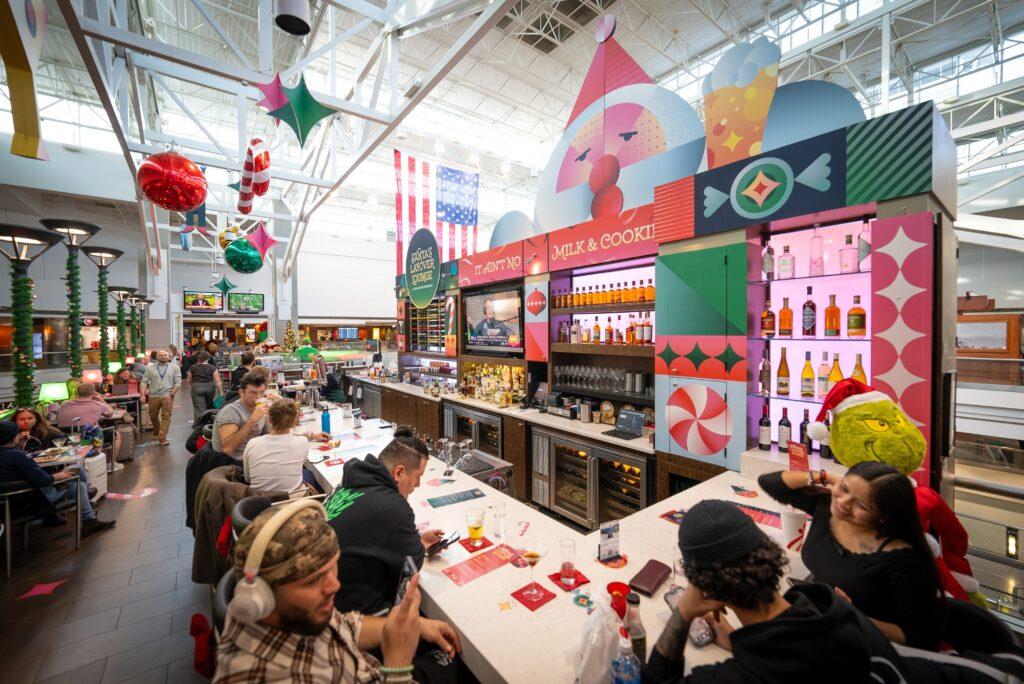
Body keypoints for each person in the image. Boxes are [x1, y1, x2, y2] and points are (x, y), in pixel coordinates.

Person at [644, 499, 911, 683]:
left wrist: (684, 612)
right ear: (769, 552)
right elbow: (787, 643)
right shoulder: (828, 606)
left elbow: (656, 678)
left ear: (707, 590)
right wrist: (739, 640)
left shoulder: (739, 677)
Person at [214, 500, 461, 684]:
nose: (334, 586)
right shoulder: (257, 675)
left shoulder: (300, 613)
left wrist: (408, 625)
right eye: (313, 581)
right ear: (260, 595)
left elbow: (344, 625)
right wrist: (397, 666)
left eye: (333, 568)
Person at [759, 461, 944, 649]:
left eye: (861, 505)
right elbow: (770, 483)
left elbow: (922, 639)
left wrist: (850, 613)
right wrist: (828, 478)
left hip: (865, 647)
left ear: (883, 515)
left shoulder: (902, 559)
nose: (843, 503)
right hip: (823, 626)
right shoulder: (826, 508)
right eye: (844, 489)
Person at [325, 426, 444, 615]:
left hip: (323, 595)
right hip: (348, 616)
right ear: (399, 473)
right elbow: (412, 564)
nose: (418, 485)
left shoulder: (350, 483)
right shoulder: (393, 506)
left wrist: (419, 540)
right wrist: (419, 544)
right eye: (417, 477)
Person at [0, 421, 115, 536]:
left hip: (8, 503)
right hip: (32, 500)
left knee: (78, 468)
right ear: (12, 437)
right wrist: (57, 476)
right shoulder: (17, 456)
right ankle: (89, 517)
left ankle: (86, 506)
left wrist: (19, 446)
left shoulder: (13, 454)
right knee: (79, 485)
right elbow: (44, 480)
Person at [242, 400, 315, 493]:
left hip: (261, 503)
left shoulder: (252, 443)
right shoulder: (302, 442)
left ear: (269, 420)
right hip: (294, 502)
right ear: (293, 422)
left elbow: (248, 479)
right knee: (308, 474)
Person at [212, 372, 271, 458]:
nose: (258, 396)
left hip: (254, 456)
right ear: (241, 392)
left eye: (262, 392)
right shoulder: (230, 412)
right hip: (233, 463)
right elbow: (227, 449)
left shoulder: (260, 408)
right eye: (253, 392)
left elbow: (267, 435)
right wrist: (252, 420)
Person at [141, 348, 181, 446]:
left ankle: (162, 437)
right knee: (153, 416)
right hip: (153, 395)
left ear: (169, 357)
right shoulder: (150, 368)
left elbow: (178, 383)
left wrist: (171, 395)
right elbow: (144, 381)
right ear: (157, 357)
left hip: (167, 396)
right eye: (161, 355)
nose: (163, 357)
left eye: (165, 355)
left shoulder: (175, 367)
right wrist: (142, 394)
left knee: (166, 416)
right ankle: (156, 430)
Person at [188, 351, 222, 420]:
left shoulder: (192, 367)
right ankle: (208, 422)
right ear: (208, 359)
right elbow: (218, 381)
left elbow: (189, 380)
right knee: (209, 405)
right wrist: (221, 392)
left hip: (196, 387)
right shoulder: (212, 368)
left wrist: (193, 386)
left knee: (199, 408)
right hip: (210, 388)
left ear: (199, 358)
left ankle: (198, 424)